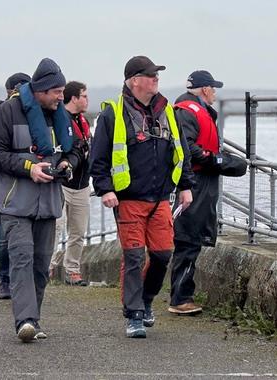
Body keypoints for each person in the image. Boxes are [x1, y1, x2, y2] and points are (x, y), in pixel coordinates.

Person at [89, 55, 195, 339]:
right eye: (151, 75)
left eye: (157, 75)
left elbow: (181, 150)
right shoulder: (113, 113)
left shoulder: (167, 110)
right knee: (134, 256)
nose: (156, 79)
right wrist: (105, 188)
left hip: (161, 197)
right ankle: (133, 314)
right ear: (134, 80)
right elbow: (97, 157)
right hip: (128, 199)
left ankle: (147, 301)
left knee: (162, 254)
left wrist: (186, 186)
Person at [0, 58, 81, 342]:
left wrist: (67, 165)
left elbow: (74, 151)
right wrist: (29, 168)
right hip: (16, 203)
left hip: (49, 204)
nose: (61, 97)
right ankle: (24, 320)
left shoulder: (61, 115)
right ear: (41, 90)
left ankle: (32, 320)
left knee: (40, 265)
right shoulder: (6, 112)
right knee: (22, 257)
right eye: (57, 92)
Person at [169, 70, 224, 316]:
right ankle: (180, 298)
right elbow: (186, 146)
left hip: (199, 183)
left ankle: (182, 296)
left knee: (191, 240)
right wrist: (212, 159)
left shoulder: (192, 110)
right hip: (194, 184)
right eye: (213, 88)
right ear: (204, 89)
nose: (214, 93)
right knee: (187, 240)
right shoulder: (188, 112)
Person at [0, 72, 31, 300]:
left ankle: (24, 279)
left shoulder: (34, 112)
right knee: (4, 232)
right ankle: (5, 280)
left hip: (31, 179)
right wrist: (7, 163)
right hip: (5, 180)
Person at [49, 81, 91, 286]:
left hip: (82, 184)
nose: (87, 100)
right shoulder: (60, 119)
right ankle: (47, 267)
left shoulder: (83, 121)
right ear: (73, 98)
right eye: (84, 96)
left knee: (78, 232)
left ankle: (72, 270)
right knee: (56, 228)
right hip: (63, 183)